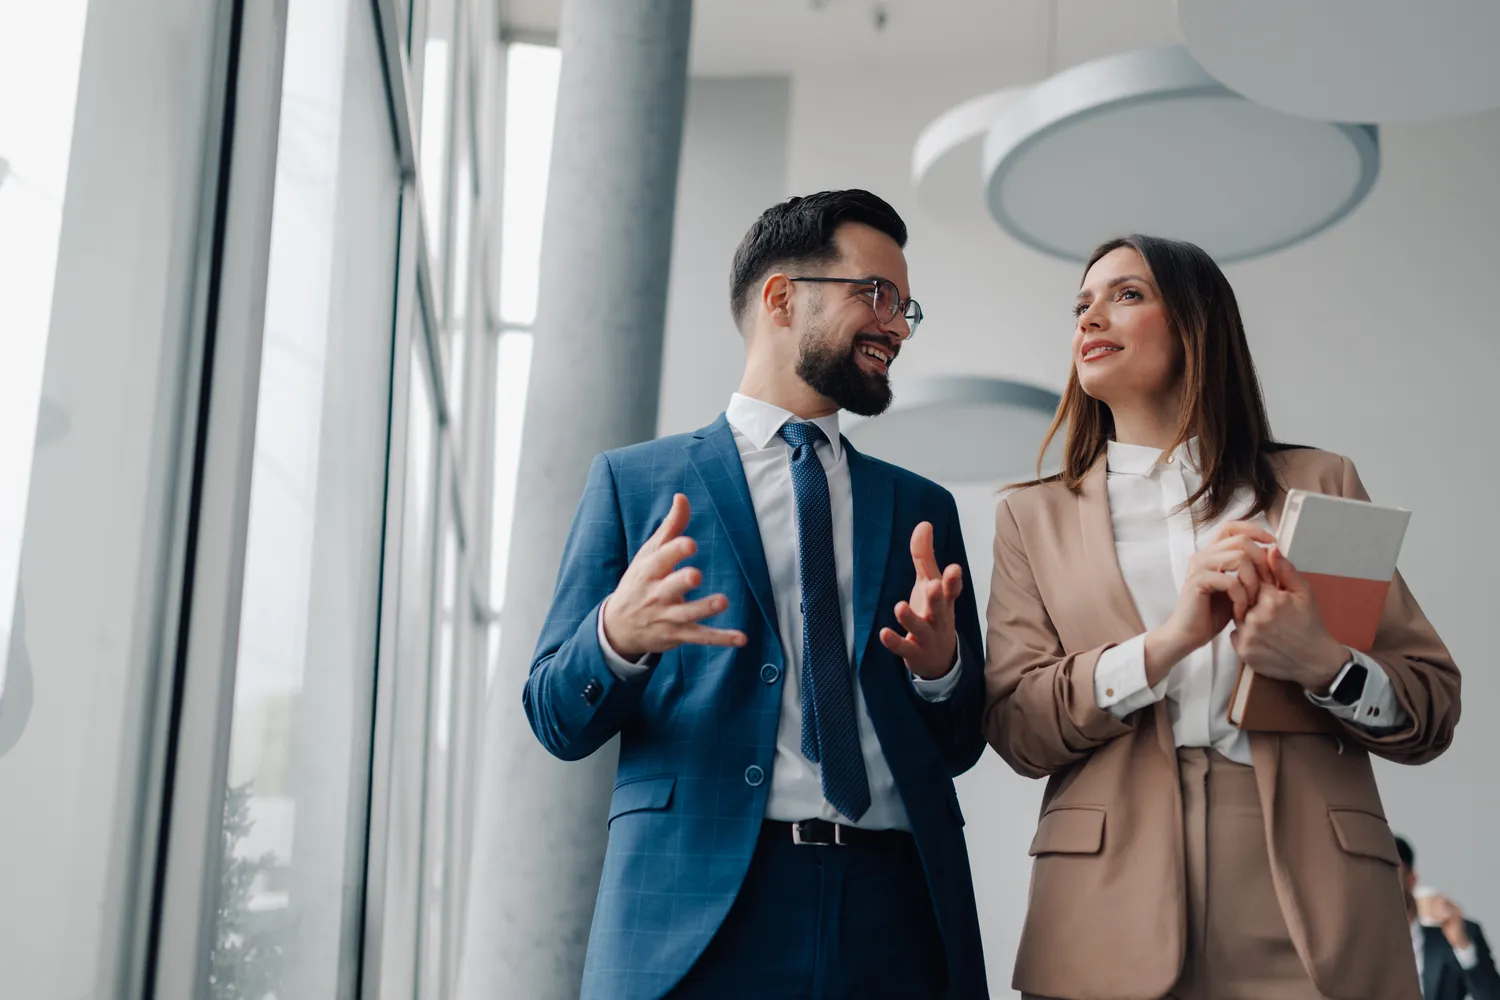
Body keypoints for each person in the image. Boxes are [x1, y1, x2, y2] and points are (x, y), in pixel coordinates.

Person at [523, 190, 989, 999]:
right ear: (782, 297)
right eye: (874, 294)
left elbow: (958, 744)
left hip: (897, 912)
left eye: (906, 306)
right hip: (697, 916)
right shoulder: (636, 484)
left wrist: (941, 672)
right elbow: (556, 719)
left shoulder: (922, 510)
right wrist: (617, 637)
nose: (897, 327)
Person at [983, 234, 1461, 1000]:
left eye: (1127, 294)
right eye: (1081, 304)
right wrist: (1165, 644)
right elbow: (1017, 726)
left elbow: (1431, 707)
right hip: (1105, 899)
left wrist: (1323, 663)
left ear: (1197, 326)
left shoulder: (1319, 483)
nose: (1090, 317)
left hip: (1314, 896)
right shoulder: (1031, 519)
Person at [1396, 836, 1500, 1000]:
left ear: (1411, 880)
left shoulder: (1461, 932)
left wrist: (1463, 947)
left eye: (1392, 874)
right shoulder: (1361, 938)